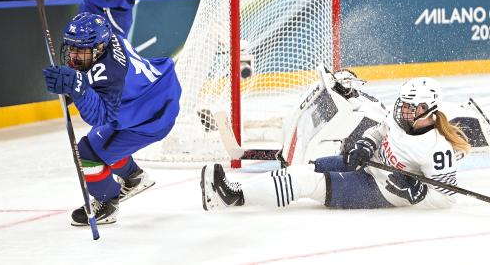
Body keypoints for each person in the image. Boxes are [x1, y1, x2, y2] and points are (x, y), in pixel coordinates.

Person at [202, 77, 471, 211]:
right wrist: (367, 143)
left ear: (428, 109)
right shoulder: (402, 118)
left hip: (378, 190)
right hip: (369, 164)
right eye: (403, 104)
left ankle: (232, 197)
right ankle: (236, 191)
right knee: (306, 169)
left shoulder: (438, 149)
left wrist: (416, 194)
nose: (402, 110)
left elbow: (447, 198)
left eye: (411, 107)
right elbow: (381, 129)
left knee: (307, 182)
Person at [42, 13, 182, 225]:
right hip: (156, 95)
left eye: (80, 50)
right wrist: (78, 86)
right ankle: (133, 177)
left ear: (98, 48)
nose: (74, 56)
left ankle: (107, 204)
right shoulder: (109, 40)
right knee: (101, 142)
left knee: (87, 152)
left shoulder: (109, 72)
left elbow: (100, 116)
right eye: (72, 48)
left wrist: (77, 89)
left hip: (151, 117)